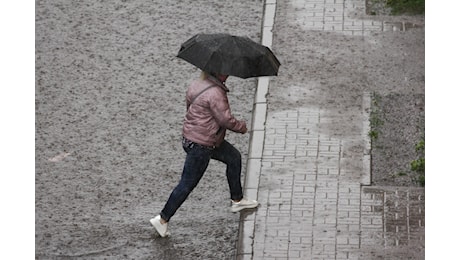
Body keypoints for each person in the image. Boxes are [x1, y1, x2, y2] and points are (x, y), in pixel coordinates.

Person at [150, 71, 259, 237]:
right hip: (202, 144)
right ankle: (163, 219)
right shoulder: (216, 93)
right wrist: (242, 127)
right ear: (218, 73)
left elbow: (191, 108)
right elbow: (225, 119)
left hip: (193, 138)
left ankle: (237, 200)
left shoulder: (197, 84)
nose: (228, 74)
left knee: (233, 157)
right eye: (225, 72)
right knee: (187, 184)